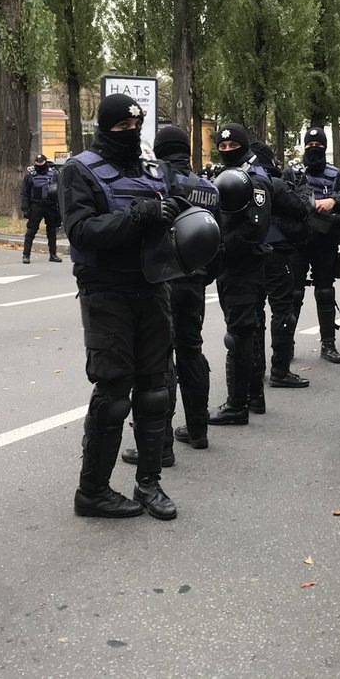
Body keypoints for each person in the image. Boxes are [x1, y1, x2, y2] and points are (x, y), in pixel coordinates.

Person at [60, 93, 180, 520]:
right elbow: (81, 231)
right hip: (106, 292)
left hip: (153, 287)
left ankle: (149, 483)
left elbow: (178, 218)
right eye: (122, 128)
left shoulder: (155, 171)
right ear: (104, 128)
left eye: (136, 127)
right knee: (113, 394)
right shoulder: (80, 170)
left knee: (154, 390)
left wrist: (177, 217)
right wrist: (141, 215)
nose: (130, 134)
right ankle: (92, 491)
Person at [120, 126, 220, 463]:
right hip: (194, 282)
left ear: (161, 150)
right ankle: (198, 430)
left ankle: (160, 446)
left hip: (161, 281)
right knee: (192, 350)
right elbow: (216, 240)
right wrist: (204, 277)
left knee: (159, 361)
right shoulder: (208, 187)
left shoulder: (156, 182)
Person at [207, 124, 274, 426]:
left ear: (243, 145)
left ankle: (237, 404)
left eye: (233, 145)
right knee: (249, 330)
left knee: (239, 334)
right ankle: (254, 396)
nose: (227, 150)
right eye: (222, 147)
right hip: (231, 267)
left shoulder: (256, 179)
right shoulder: (224, 178)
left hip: (243, 266)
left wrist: (221, 248)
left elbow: (253, 230)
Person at [283, 127, 340, 364]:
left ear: (325, 147)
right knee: (293, 294)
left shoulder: (336, 174)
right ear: (304, 146)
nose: (314, 148)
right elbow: (280, 199)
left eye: (318, 145)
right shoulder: (292, 173)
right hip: (297, 242)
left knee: (325, 292)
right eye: (310, 144)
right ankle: (286, 345)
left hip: (325, 243)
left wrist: (332, 201)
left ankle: (328, 344)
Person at [249, 142, 314, 393]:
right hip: (276, 252)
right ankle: (280, 370)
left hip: (251, 253)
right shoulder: (272, 183)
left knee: (255, 314)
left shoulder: (240, 180)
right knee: (282, 310)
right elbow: (301, 209)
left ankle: (257, 368)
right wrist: (303, 190)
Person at [21, 154, 62, 264]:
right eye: (37, 162)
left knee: (52, 231)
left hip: (51, 206)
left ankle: (53, 254)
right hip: (36, 206)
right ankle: (26, 255)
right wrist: (25, 209)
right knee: (31, 231)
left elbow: (60, 192)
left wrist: (60, 210)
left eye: (41, 161)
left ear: (45, 162)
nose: (39, 164)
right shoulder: (30, 175)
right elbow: (24, 193)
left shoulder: (53, 174)